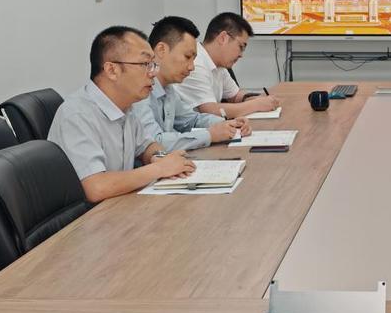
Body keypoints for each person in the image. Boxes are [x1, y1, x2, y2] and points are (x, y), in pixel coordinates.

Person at [49, 25, 194, 203]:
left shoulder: (126, 107)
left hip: (118, 205)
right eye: (145, 64)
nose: (153, 73)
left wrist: (160, 158)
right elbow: (95, 187)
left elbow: (146, 146)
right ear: (112, 70)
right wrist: (159, 169)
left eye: (153, 64)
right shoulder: (77, 115)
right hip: (88, 216)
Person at [135, 15, 251, 152]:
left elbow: (191, 120)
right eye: (187, 57)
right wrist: (209, 135)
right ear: (161, 50)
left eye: (193, 59)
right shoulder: (138, 90)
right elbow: (154, 142)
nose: (192, 67)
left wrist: (228, 124)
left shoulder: (169, 89)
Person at [175, 12, 280, 119]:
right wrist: (256, 105)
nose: (241, 55)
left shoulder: (219, 65)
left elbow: (235, 96)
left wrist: (255, 99)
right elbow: (210, 111)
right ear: (223, 38)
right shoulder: (195, 64)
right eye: (241, 47)